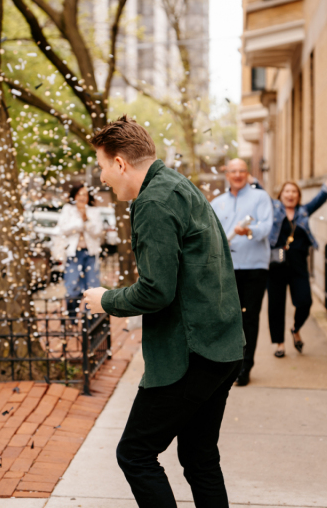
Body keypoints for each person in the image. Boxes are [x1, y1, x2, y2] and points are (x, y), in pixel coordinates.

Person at [83, 116, 243, 507]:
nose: (102, 177)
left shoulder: (153, 201)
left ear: (120, 163)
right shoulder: (179, 184)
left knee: (134, 453)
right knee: (199, 457)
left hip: (189, 355)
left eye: (103, 166)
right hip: (221, 348)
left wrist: (106, 300)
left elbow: (156, 292)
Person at [267, 157, 327, 358]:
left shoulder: (304, 211)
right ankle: (279, 344)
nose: (290, 194)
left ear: (298, 195)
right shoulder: (273, 209)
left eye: (294, 191)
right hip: (276, 266)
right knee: (275, 306)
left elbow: (323, 194)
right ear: (280, 195)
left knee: (305, 302)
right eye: (287, 191)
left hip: (298, 265)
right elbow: (258, 189)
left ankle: (295, 329)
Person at [210, 158, 272, 386]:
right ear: (227, 174)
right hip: (226, 267)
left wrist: (248, 231)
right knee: (227, 317)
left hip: (254, 266)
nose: (237, 175)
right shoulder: (217, 202)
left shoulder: (260, 198)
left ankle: (245, 366)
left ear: (247, 174)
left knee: (249, 317)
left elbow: (266, 227)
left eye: (242, 171)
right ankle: (228, 363)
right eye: (233, 171)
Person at [56, 183, 104, 317]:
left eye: (85, 194)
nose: (83, 197)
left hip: (90, 254)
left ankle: (92, 321)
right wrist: (80, 224)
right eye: (80, 194)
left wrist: (86, 219)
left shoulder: (94, 211)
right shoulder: (68, 209)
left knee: (93, 286)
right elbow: (63, 228)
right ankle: (72, 318)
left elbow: (98, 231)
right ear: (74, 196)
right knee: (72, 287)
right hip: (73, 253)